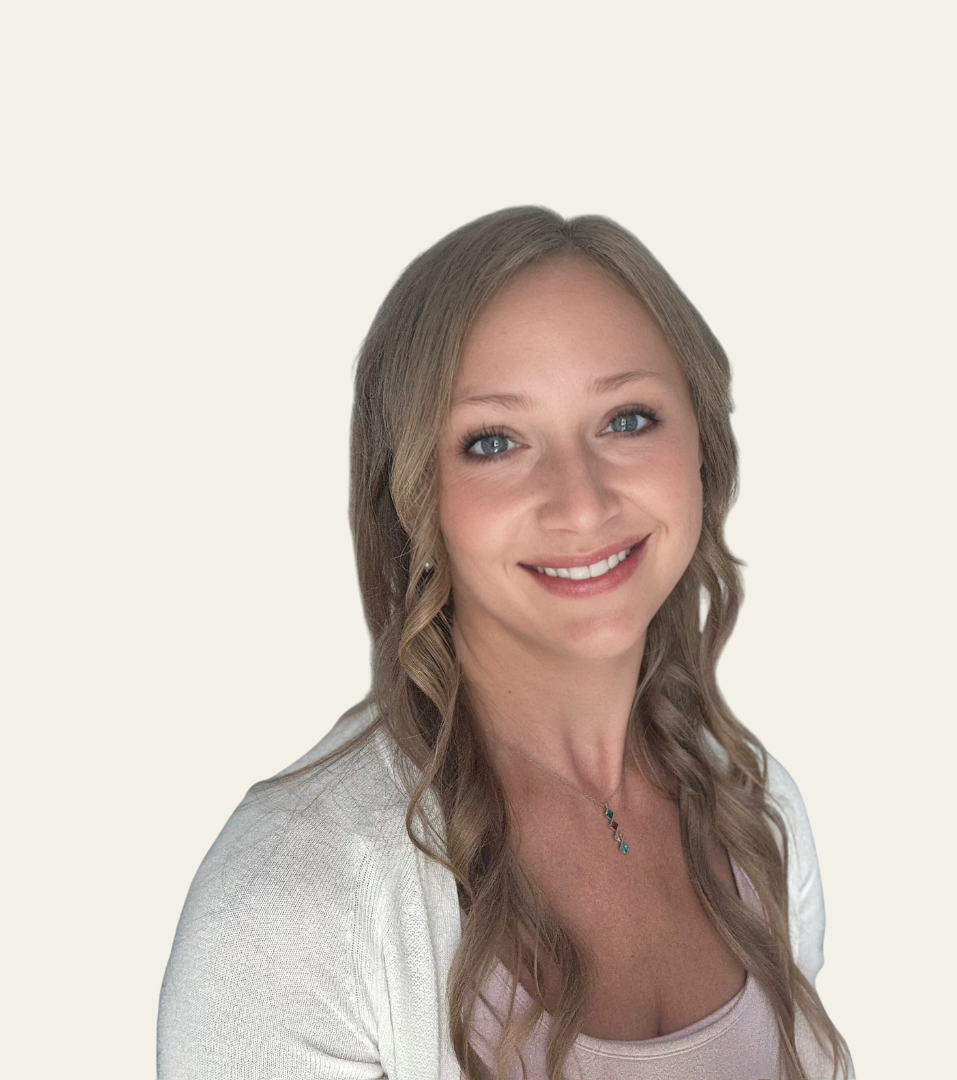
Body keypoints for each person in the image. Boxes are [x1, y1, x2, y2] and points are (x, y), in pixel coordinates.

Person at [158, 207, 854, 1080]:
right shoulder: (289, 906)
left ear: (703, 447)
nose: (582, 500)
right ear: (413, 498)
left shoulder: (757, 812)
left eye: (628, 420)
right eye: (495, 441)